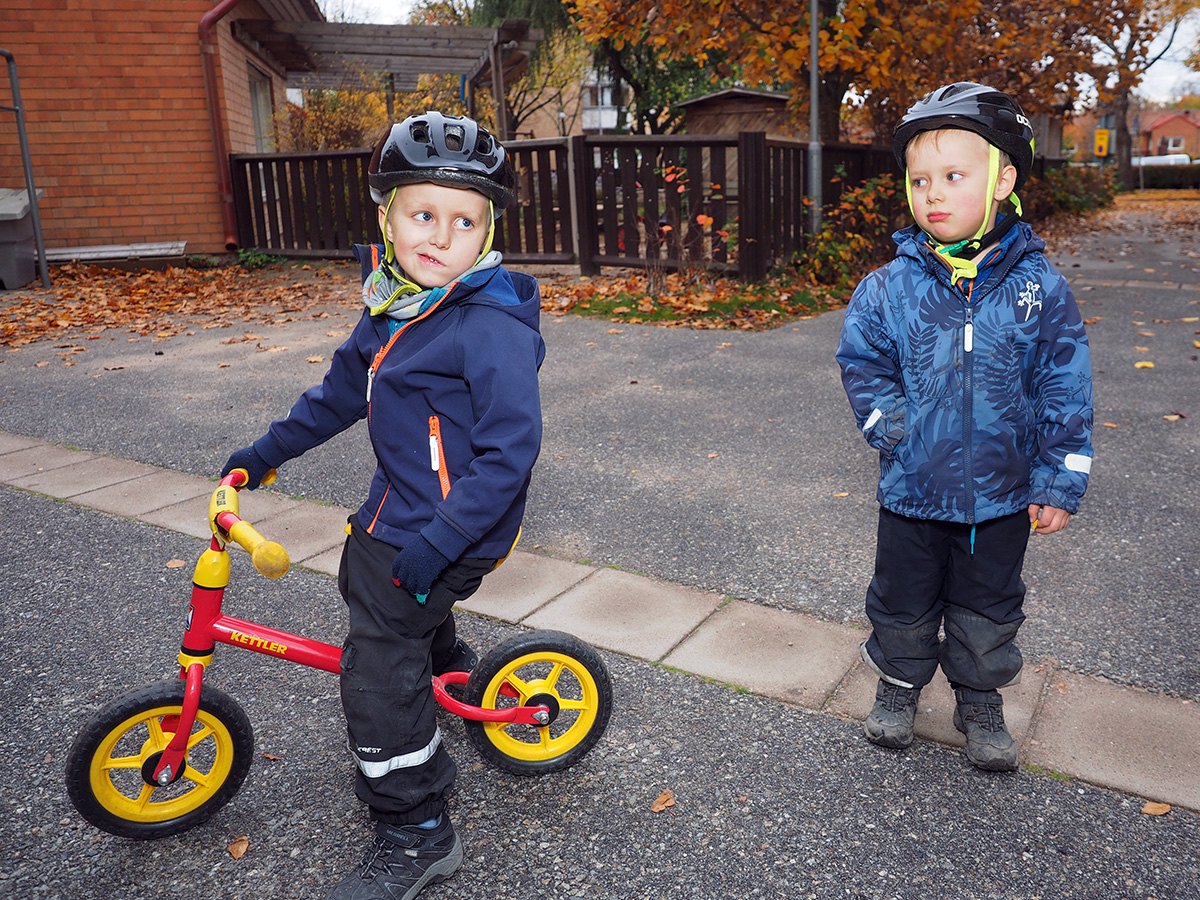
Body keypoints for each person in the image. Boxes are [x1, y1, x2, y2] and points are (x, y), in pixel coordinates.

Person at [220, 112, 544, 899]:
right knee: (370, 589)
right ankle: (451, 673)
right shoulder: (393, 307)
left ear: (487, 231)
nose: (440, 235)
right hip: (400, 509)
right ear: (388, 218)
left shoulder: (486, 328)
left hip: (457, 523)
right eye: (421, 214)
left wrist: (445, 537)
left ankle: (416, 825)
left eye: (463, 221)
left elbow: (510, 452)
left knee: (372, 671)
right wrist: (263, 457)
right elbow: (339, 395)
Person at [835, 83, 1093, 772]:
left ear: (1003, 178)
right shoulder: (890, 286)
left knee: (988, 607)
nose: (932, 194)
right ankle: (898, 685)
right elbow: (861, 360)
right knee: (902, 601)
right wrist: (891, 425)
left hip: (1002, 498)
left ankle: (979, 697)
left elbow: (1065, 383)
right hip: (914, 492)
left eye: (953, 176)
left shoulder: (1040, 289)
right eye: (920, 180)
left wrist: (1059, 480)